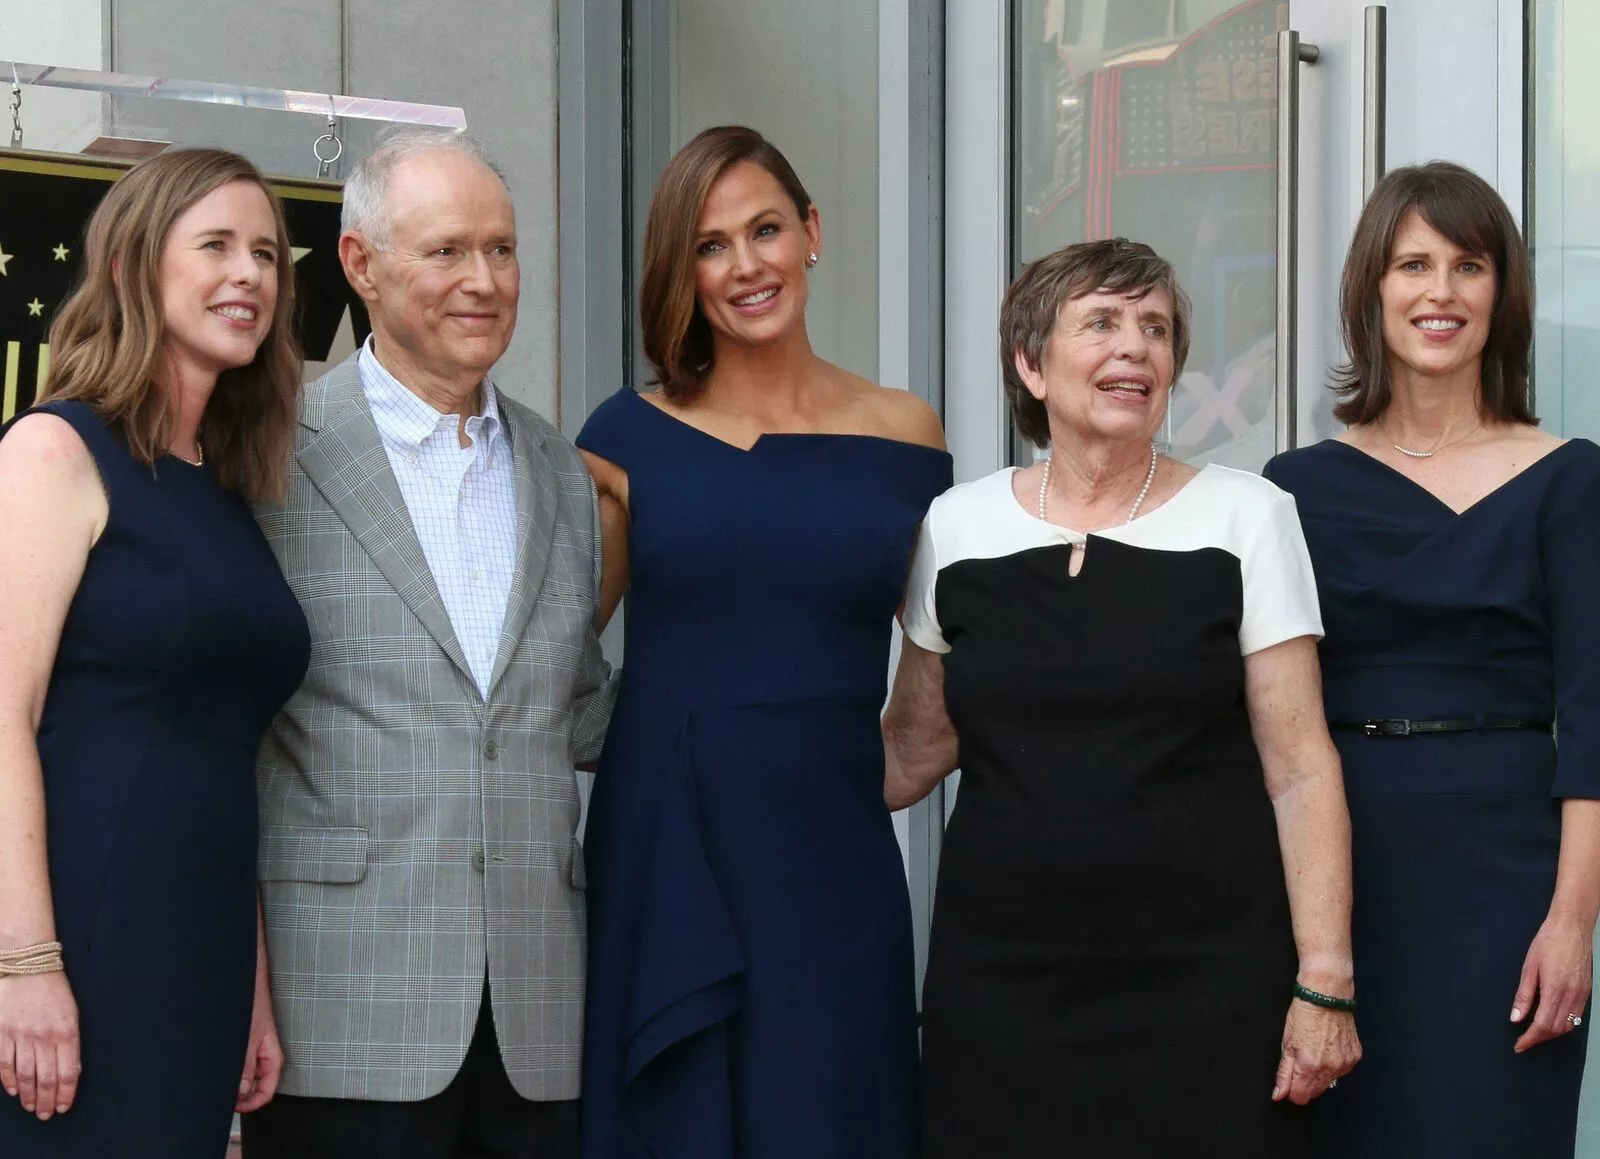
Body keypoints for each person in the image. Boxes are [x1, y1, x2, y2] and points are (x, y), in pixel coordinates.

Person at [884, 237, 1362, 1158]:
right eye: (1101, 323)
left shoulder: (1247, 516)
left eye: (1155, 328)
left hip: (1207, 988)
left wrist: (1324, 983)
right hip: (1000, 994)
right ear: (1031, 365)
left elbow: (1301, 767)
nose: (1135, 347)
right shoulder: (958, 526)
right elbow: (911, 749)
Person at [576, 125, 951, 1159]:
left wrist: (863, 765)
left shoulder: (905, 433)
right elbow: (549, 663)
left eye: (765, 230)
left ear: (811, 232)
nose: (746, 265)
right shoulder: (623, 437)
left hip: (830, 850)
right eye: (711, 245)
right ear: (681, 271)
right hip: (665, 845)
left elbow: (941, 659)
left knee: (829, 1107)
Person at [238, 129, 614, 1159]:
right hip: (337, 1013)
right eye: (447, 250)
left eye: (502, 249)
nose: (484, 280)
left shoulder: (560, 469)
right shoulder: (267, 452)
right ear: (360, 264)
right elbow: (216, 729)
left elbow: (577, 705)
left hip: (538, 1017)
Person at [1263, 161, 1600, 1158]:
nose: (1440, 292)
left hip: (1507, 875)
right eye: (1413, 264)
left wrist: (1572, 921)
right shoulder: (1295, 488)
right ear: (1371, 290)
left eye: (1468, 265)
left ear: (1502, 293)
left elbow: (1594, 717)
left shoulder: (1569, 478)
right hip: (1338, 875)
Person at [0, 148, 310, 1157]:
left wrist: (251, 982)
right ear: (132, 266)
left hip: (200, 952)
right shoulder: (54, 450)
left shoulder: (227, 487)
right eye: (215, 244)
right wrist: (23, 964)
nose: (249, 274)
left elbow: (224, 751)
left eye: (266, 253)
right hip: (82, 936)